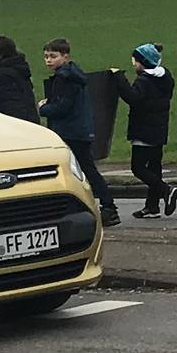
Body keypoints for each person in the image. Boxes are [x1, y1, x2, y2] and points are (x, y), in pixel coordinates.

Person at [38, 38, 119, 227]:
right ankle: (106, 206)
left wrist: (44, 108)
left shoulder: (63, 78)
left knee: (78, 170)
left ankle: (105, 206)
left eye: (53, 56)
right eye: (46, 57)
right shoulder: (74, 75)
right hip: (80, 129)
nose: (48, 60)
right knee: (87, 169)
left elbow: (63, 107)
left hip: (69, 131)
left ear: (65, 57)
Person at [110, 43, 177, 219]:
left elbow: (133, 98)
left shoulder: (144, 81)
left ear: (142, 62)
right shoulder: (165, 78)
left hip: (143, 130)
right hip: (159, 129)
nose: (133, 63)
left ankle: (166, 190)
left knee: (138, 168)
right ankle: (152, 207)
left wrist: (118, 77)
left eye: (135, 60)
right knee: (154, 167)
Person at [0, 35, 38, 122]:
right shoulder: (18, 69)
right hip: (29, 120)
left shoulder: (1, 75)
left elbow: (1, 105)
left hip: (14, 124)